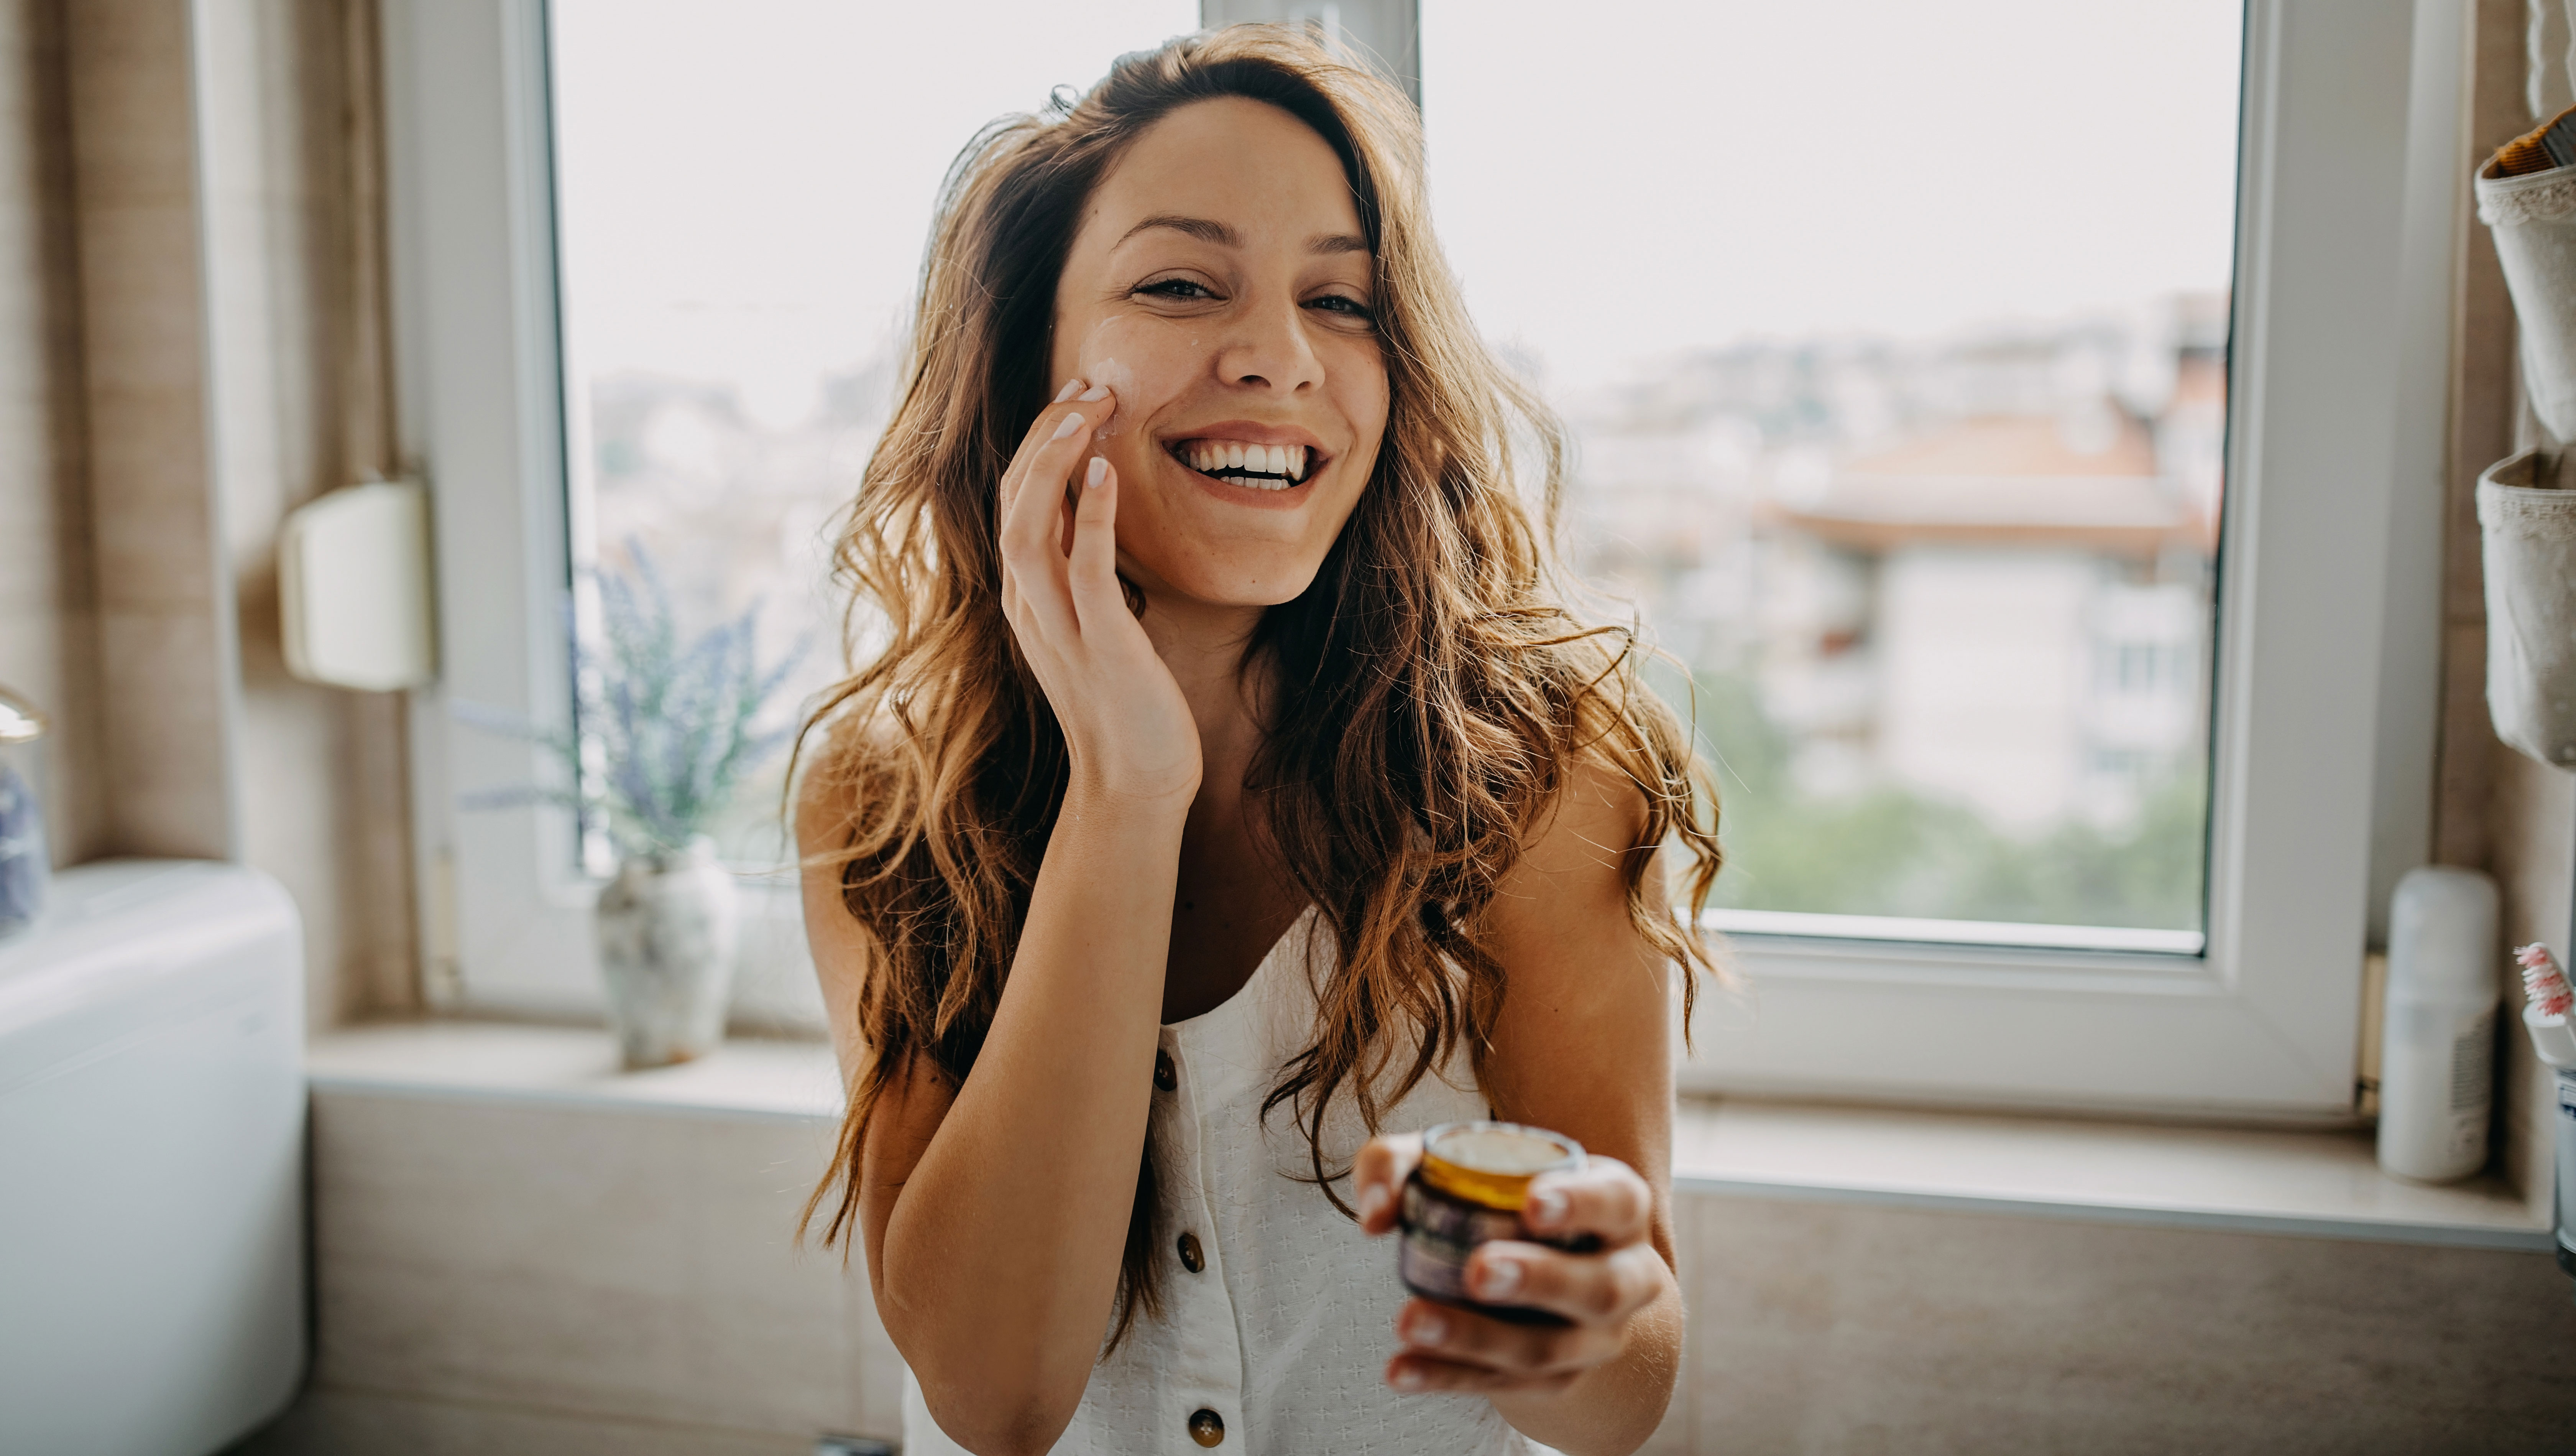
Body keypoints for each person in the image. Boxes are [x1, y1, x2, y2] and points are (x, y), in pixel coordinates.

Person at [793, 24, 1722, 1456]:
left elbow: (1623, 1394)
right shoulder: (885, 795)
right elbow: (993, 1393)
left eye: (1343, 303)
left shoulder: (1544, 770)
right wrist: (1127, 790)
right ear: (1028, 353)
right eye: (1180, 283)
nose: (1282, 358)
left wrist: (1576, 1312)